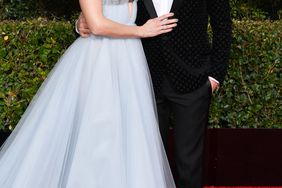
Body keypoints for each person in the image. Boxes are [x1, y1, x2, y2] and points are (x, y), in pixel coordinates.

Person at [0, 0, 178, 187]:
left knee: (132, 134)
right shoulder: (135, 33)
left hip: (130, 60)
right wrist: (141, 31)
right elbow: (97, 25)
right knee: (99, 132)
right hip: (101, 59)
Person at [77, 0, 232, 187]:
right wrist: (79, 25)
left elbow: (222, 26)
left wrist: (215, 76)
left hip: (193, 80)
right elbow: (105, 16)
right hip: (142, 80)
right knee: (145, 160)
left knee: (189, 163)